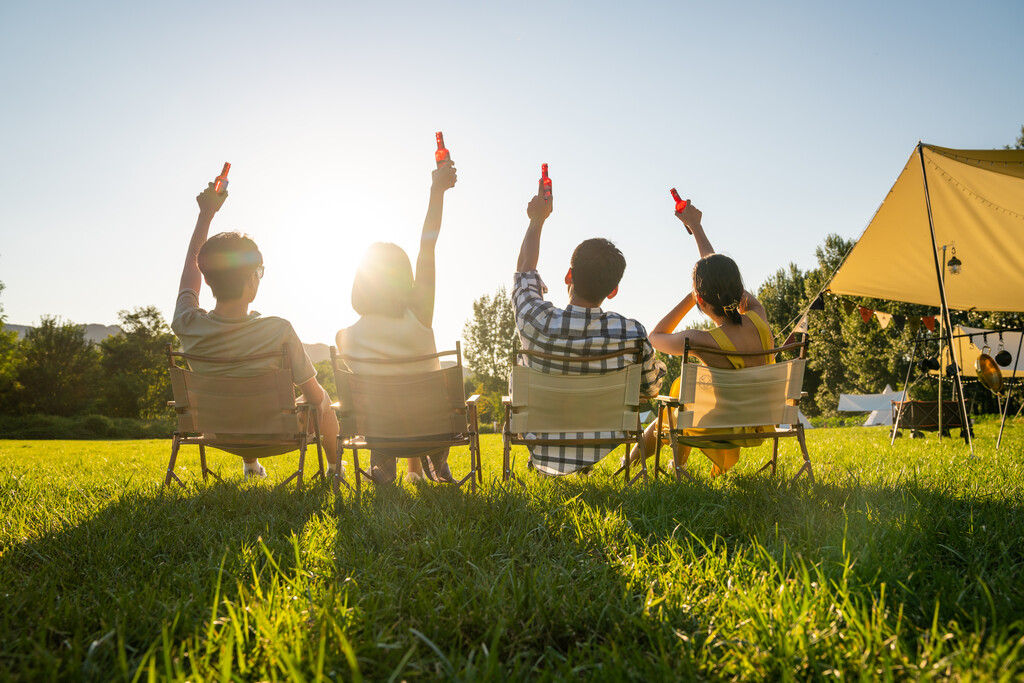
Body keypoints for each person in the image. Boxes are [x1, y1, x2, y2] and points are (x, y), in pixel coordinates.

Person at [173, 181, 340, 479]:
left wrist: (206, 214)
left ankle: (251, 467)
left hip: (218, 432)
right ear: (252, 279)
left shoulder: (187, 323)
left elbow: (190, 271)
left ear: (208, 280)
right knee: (323, 398)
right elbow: (313, 398)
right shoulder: (278, 330)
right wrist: (317, 403)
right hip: (275, 435)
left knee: (239, 398)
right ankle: (334, 471)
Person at [512, 179, 666, 476]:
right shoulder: (631, 334)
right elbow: (652, 389)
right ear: (613, 291)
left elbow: (524, 274)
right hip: (603, 441)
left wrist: (537, 220)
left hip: (541, 442)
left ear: (568, 275)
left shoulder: (535, 320)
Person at [335, 157, 458, 484]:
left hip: (382, 433)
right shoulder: (421, 314)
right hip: (432, 430)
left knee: (382, 407)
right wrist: (437, 191)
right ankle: (437, 466)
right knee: (416, 404)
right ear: (405, 279)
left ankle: (383, 470)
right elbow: (427, 246)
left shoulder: (344, 337)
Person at [631, 201, 775, 475]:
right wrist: (696, 227)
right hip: (760, 423)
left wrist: (692, 295)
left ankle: (633, 465)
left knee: (676, 402)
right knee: (687, 397)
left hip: (724, 426)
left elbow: (655, 336)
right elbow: (720, 276)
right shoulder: (759, 316)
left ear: (700, 299)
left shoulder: (701, 340)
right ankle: (675, 464)